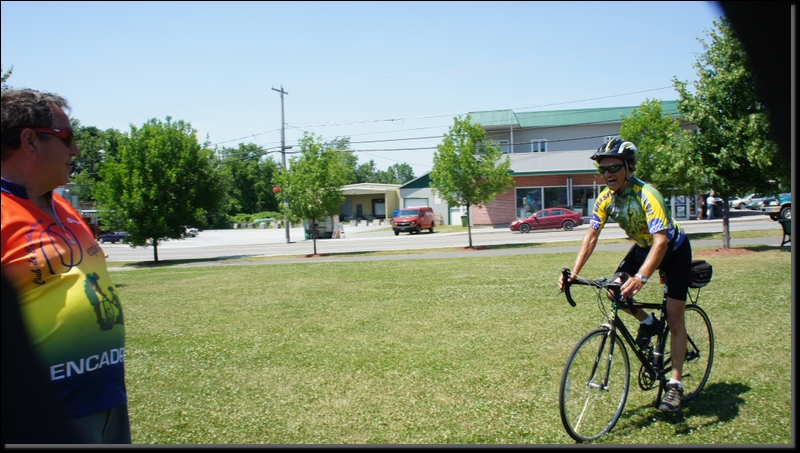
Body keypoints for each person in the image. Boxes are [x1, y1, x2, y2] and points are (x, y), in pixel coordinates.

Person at [1, 88, 131, 443]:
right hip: (44, 415)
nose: (75, 150)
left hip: (106, 398)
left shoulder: (64, 208)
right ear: (30, 141)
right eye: (67, 138)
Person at [558, 138, 693, 413]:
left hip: (673, 249)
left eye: (613, 168)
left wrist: (641, 278)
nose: (607, 174)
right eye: (603, 169)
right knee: (613, 289)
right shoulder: (606, 199)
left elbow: (661, 242)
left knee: (676, 316)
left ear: (629, 168)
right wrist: (575, 273)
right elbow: (591, 236)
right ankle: (650, 322)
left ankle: (675, 385)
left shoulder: (648, 194)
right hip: (644, 247)